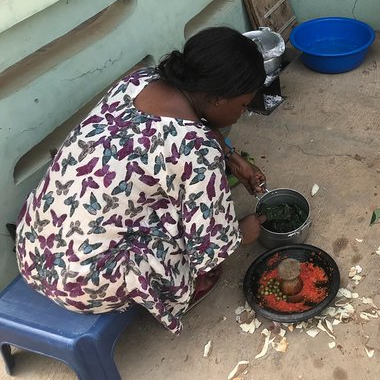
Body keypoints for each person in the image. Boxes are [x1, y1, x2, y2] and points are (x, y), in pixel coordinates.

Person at [15, 27, 268, 333]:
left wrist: (229, 153)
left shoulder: (140, 81)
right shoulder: (197, 152)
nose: (241, 113)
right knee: (185, 221)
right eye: (242, 105)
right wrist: (243, 231)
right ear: (216, 98)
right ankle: (183, 288)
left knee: (159, 189)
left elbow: (183, 124)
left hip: (33, 244)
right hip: (81, 283)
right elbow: (210, 248)